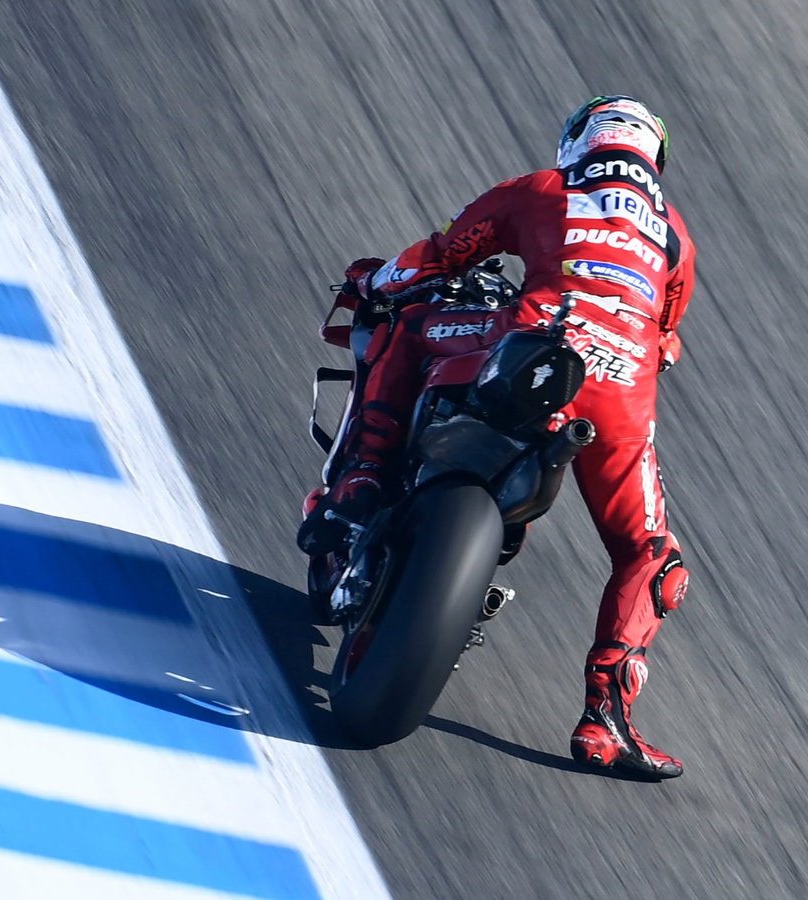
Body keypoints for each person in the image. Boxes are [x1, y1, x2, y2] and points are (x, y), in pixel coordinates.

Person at [298, 96, 695, 779]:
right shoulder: (676, 238)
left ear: (580, 142)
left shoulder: (546, 186)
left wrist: (375, 278)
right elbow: (664, 341)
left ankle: (359, 484)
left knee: (410, 320)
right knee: (655, 558)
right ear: (653, 162)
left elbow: (441, 256)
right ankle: (606, 719)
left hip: (528, 345)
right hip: (621, 396)